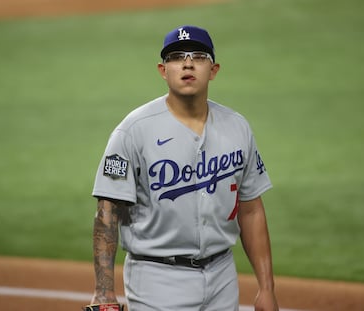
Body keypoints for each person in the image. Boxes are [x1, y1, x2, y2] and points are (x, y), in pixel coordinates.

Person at [90, 25, 279, 311]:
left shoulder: (237, 127)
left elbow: (251, 208)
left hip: (223, 275)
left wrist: (266, 288)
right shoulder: (133, 131)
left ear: (213, 70)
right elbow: (107, 212)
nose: (187, 63)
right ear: (163, 70)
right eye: (177, 56)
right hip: (156, 280)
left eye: (198, 56)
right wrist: (104, 291)